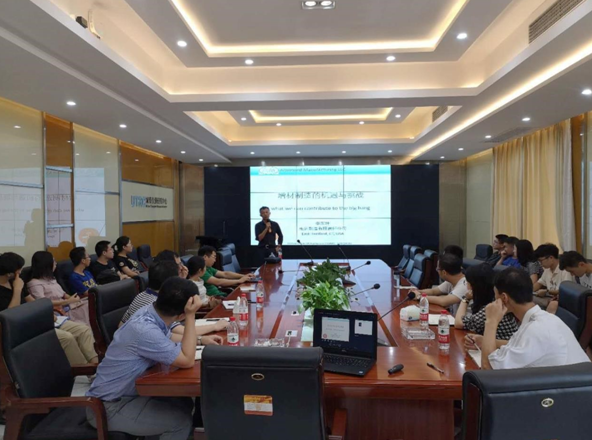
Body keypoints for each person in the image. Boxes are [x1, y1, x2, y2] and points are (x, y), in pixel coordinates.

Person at [86, 277, 203, 440]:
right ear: (181, 315)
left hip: (132, 395)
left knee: (183, 402)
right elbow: (187, 360)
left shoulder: (150, 311)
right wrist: (191, 316)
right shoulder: (145, 330)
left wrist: (201, 340)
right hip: (108, 407)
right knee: (180, 422)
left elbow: (166, 338)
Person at [464, 268, 589, 369]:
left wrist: (491, 322)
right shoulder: (543, 318)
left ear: (504, 298)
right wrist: (486, 341)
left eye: (495, 295)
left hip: (569, 391)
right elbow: (521, 345)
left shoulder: (535, 329)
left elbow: (488, 370)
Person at [1, 252, 98, 366]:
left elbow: (34, 302)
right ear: (9, 273)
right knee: (67, 337)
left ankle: (96, 365)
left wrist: (46, 313)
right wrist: (17, 290)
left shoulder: (15, 282)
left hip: (39, 319)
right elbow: (11, 315)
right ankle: (84, 369)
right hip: (21, 327)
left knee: (83, 330)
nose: (20, 272)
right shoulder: (15, 286)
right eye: (19, 269)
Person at [120, 261, 227, 341]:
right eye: (179, 275)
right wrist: (215, 326)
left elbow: (121, 325)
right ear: (169, 281)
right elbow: (182, 331)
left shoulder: (142, 295)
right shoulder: (158, 304)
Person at [454, 264, 518, 340]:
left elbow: (459, 323)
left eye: (467, 282)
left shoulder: (494, 306)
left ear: (473, 286)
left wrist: (465, 299)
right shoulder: (491, 298)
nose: (466, 285)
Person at [27, 251, 91, 327]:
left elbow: (63, 294)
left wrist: (73, 299)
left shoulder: (51, 279)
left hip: (66, 306)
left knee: (89, 304)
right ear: (46, 264)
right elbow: (43, 303)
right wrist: (67, 301)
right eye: (53, 261)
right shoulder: (34, 283)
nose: (56, 263)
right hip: (56, 312)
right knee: (86, 311)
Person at [533, 243, 574, 308]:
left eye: (541, 261)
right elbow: (539, 283)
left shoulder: (565, 270)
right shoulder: (547, 269)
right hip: (550, 299)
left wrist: (547, 292)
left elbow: (566, 291)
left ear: (551, 258)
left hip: (560, 302)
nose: (540, 264)